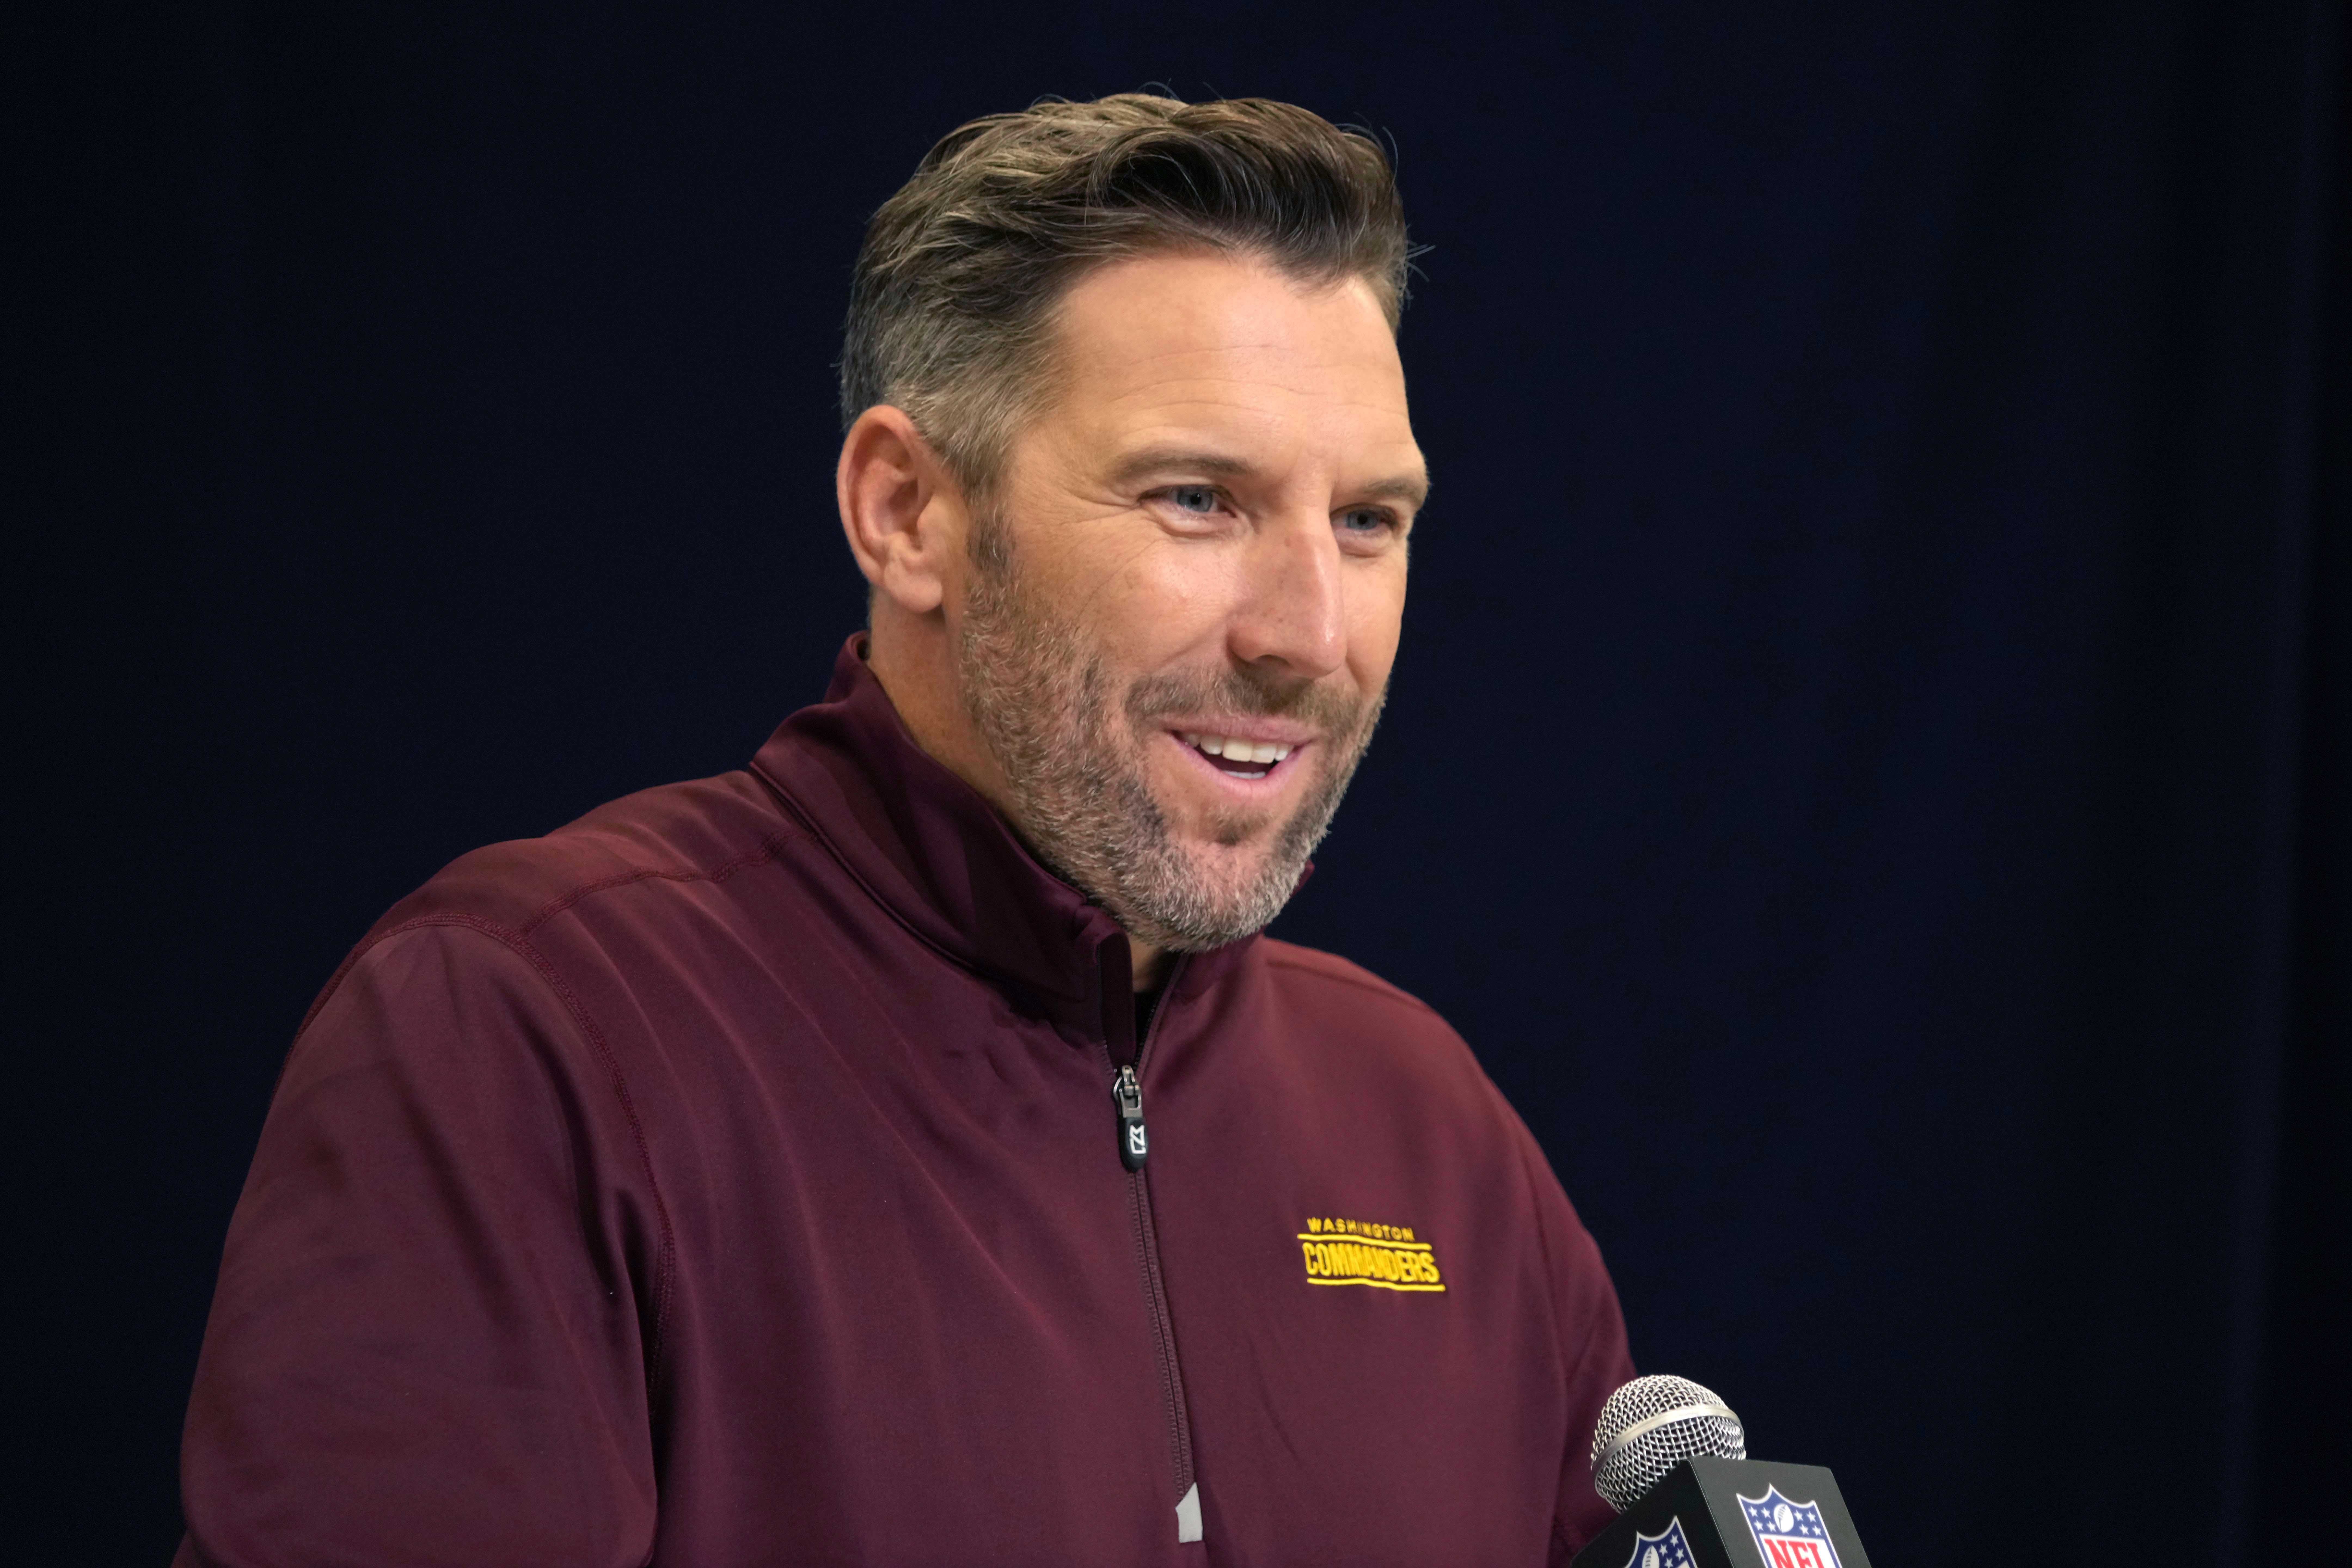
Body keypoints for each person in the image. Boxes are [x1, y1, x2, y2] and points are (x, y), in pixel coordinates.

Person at [176, 93, 1634, 1566]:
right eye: (1199, 500)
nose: (1311, 636)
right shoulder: (534, 1031)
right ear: (907, 511)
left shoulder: (1433, 1131)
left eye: (1370, 523)